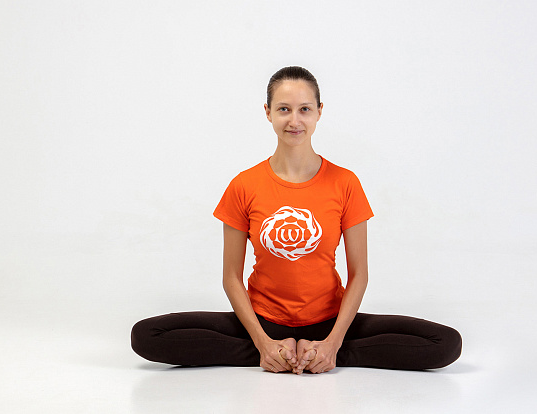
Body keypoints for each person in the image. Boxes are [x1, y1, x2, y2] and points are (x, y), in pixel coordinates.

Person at [131, 66, 461, 374]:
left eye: (304, 109)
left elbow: (359, 274)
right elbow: (231, 276)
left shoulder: (345, 183)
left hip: (330, 321)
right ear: (268, 112)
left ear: (319, 112)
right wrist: (262, 343)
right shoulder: (244, 185)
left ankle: (318, 354)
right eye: (284, 109)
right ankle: (276, 353)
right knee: (146, 335)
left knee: (445, 344)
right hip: (261, 321)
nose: (294, 120)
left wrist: (333, 344)